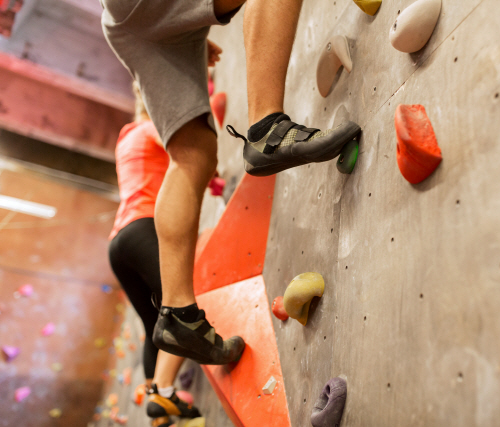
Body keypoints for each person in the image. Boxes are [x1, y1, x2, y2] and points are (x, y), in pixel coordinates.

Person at [101, 0, 362, 364]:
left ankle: (179, 313)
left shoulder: (127, 137)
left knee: (192, 157)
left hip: (125, 22)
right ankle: (267, 128)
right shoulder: (141, 133)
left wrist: (175, 22)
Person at [108, 82, 203, 427]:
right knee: (178, 303)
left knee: (154, 324)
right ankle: (163, 392)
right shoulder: (152, 129)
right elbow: (189, 154)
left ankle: (158, 408)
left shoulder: (126, 136)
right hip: (141, 228)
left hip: (118, 243)